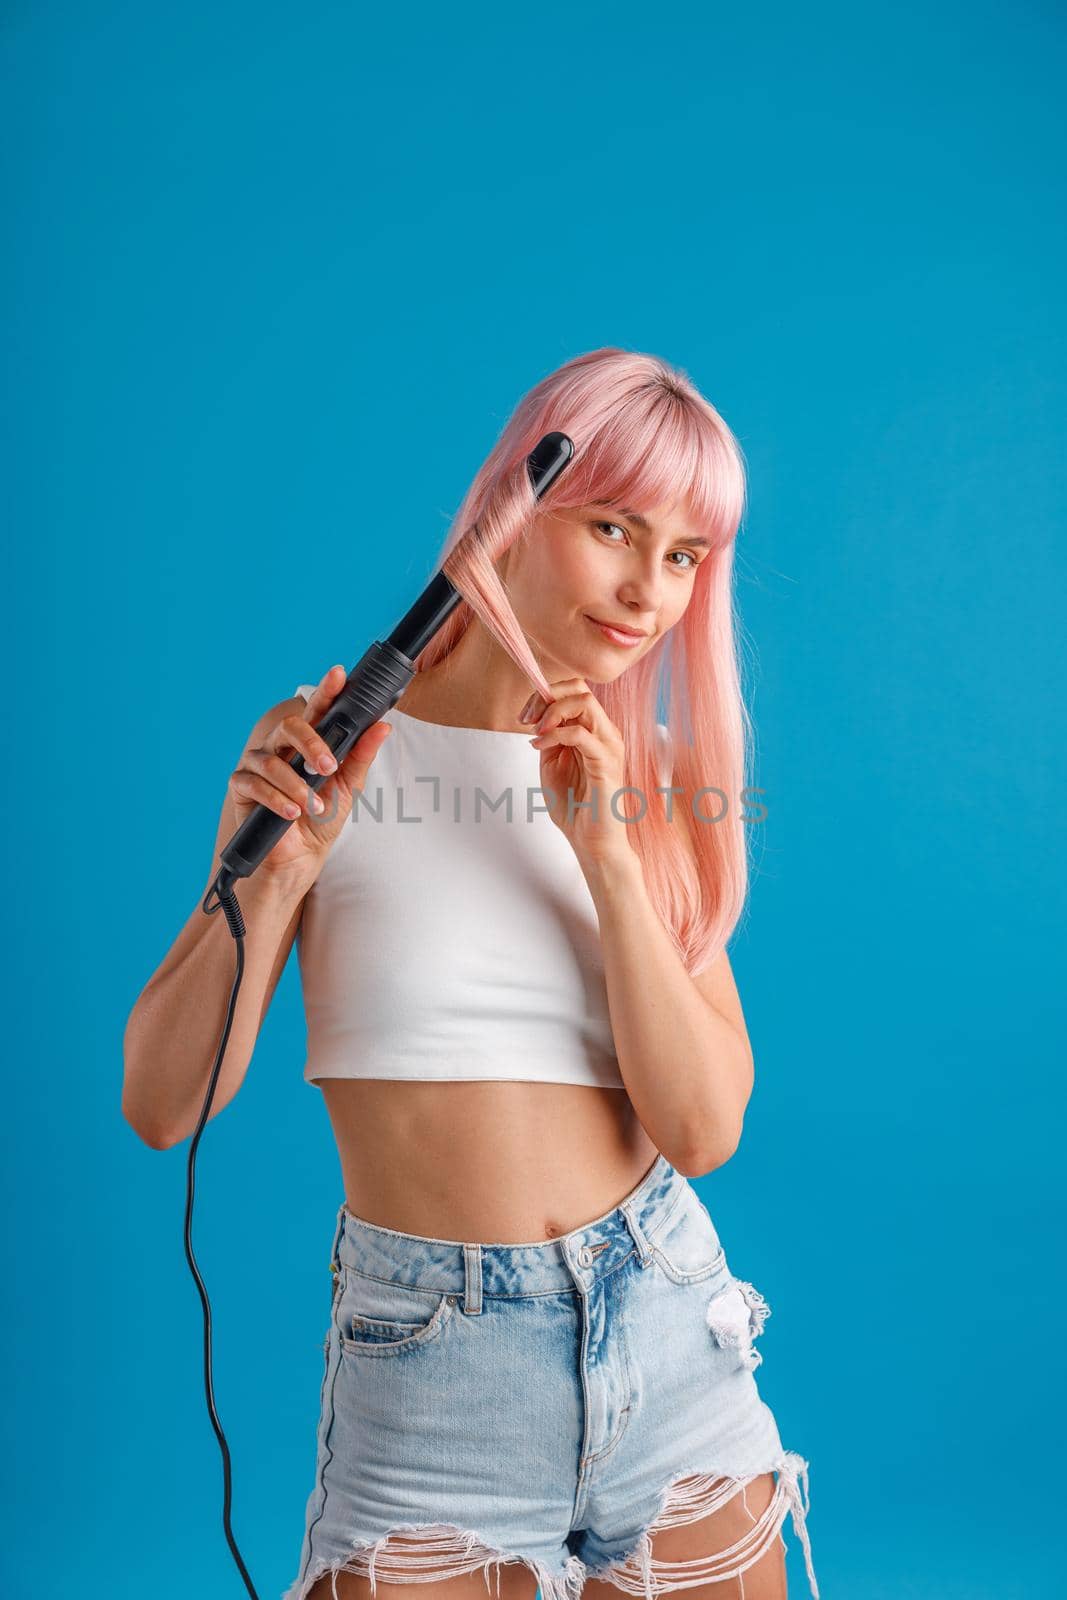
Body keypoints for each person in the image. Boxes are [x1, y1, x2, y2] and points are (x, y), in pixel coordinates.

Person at [122, 347, 820, 1600]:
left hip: (667, 1341)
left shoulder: (653, 775)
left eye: (681, 555)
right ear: (518, 501)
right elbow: (162, 1101)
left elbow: (704, 1126)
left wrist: (603, 848)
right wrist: (275, 869)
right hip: (430, 1375)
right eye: (612, 526)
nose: (645, 589)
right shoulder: (340, 750)